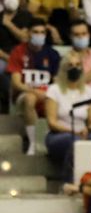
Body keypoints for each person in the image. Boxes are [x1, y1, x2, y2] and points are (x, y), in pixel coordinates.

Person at [44, 52, 91, 181]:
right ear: (63, 68)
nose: (74, 68)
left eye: (77, 65)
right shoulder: (54, 90)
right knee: (75, 141)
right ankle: (69, 182)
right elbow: (51, 122)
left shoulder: (90, 92)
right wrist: (73, 131)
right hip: (58, 135)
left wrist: (88, 129)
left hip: (83, 132)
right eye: (70, 65)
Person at [8, 19, 60, 155]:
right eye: (35, 32)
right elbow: (16, 83)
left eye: (42, 32)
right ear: (28, 33)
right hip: (24, 96)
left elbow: (57, 82)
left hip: (47, 96)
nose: (39, 35)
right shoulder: (18, 51)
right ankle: (33, 143)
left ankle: (48, 139)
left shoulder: (52, 54)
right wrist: (35, 91)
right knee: (30, 98)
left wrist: (48, 94)